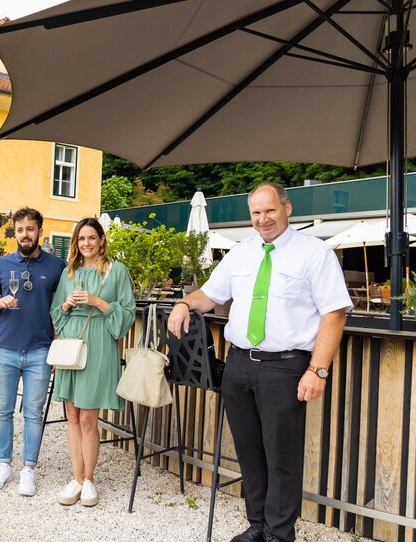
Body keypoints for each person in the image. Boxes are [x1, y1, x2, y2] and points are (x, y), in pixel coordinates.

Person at [167, 183, 351, 542]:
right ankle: (258, 525)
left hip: (285, 366)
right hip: (238, 365)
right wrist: (184, 303)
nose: (262, 219)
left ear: (287, 208)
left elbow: (334, 314)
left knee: (281, 455)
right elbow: (211, 294)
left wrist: (318, 369)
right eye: (255, 213)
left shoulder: (314, 253)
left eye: (269, 211)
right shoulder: (241, 253)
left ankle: (280, 534)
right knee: (249, 451)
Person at [49, 218, 136, 507]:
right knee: (72, 415)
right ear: (76, 243)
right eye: (81, 239)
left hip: (98, 343)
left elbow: (127, 313)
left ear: (101, 240)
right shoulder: (69, 272)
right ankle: (75, 477)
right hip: (71, 344)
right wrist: (67, 304)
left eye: (91, 238)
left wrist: (97, 302)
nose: (86, 243)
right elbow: (56, 314)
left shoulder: (117, 271)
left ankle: (89, 481)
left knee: (88, 418)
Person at [0, 207, 66, 496]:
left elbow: (60, 310)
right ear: (14, 232)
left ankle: (28, 469)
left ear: (40, 231)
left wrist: (57, 345)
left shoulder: (57, 267)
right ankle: (4, 464)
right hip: (4, 348)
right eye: (19, 230)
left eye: (30, 229)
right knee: (2, 411)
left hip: (40, 351)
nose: (25, 234)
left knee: (33, 412)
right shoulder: (1, 264)